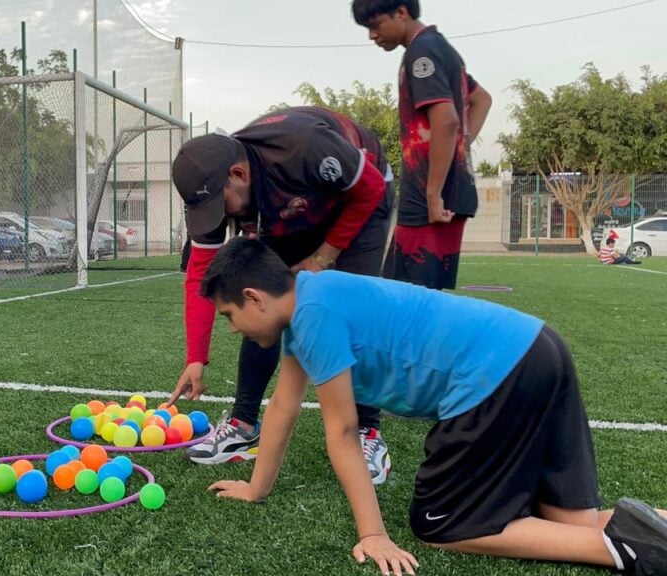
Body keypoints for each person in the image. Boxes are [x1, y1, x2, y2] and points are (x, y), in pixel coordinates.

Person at [201, 237, 667, 576]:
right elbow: (283, 405)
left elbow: (343, 431)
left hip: (494, 374)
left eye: (229, 317)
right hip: (538, 346)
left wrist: (373, 534)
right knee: (573, 522)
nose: (232, 330)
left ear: (253, 298)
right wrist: (255, 488)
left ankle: (629, 552)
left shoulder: (313, 317)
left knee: (441, 524)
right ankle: (649, 529)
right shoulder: (312, 296)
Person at [169, 106, 395, 484]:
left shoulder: (302, 149)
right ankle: (242, 423)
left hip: (361, 193)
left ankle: (367, 430)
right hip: (292, 208)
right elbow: (199, 276)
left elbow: (368, 188)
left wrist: (323, 257)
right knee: (262, 304)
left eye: (219, 206)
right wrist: (196, 357)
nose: (217, 218)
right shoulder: (218, 188)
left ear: (238, 174)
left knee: (356, 310)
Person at [352, 0, 492, 290]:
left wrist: (433, 193)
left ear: (401, 12)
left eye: (375, 25)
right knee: (419, 298)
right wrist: (457, 148)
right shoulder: (442, 49)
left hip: (430, 197)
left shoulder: (421, 52)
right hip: (445, 192)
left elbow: (446, 120)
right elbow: (481, 100)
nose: (372, 36)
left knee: (405, 300)